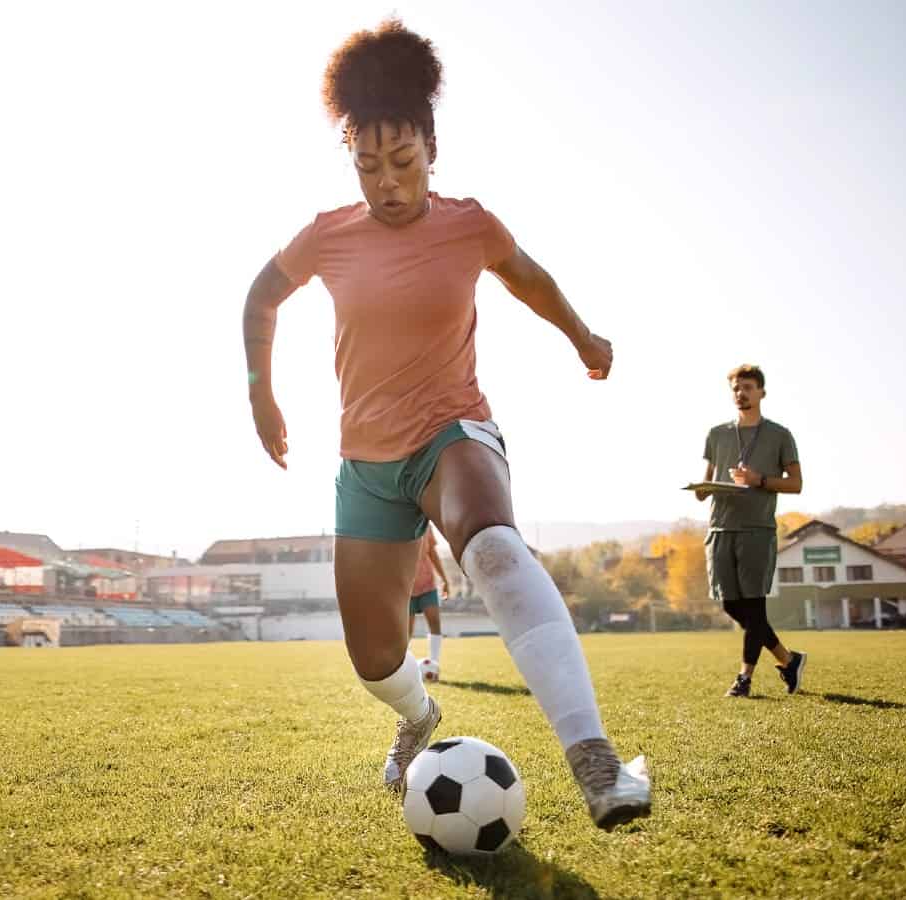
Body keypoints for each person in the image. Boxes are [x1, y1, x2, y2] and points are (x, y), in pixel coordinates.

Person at [241, 18, 650, 829]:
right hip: (365, 462)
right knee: (373, 657)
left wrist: (584, 338)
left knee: (492, 546)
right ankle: (418, 718)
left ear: (432, 147)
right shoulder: (329, 237)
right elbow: (259, 296)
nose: (386, 184)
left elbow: (529, 279)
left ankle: (599, 766)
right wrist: (262, 393)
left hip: (453, 430)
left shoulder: (469, 225)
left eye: (403, 162)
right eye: (367, 166)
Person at [696, 364, 807, 697]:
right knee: (731, 605)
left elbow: (796, 484)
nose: (740, 393)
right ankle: (788, 660)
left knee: (754, 607)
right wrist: (702, 489)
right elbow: (709, 475)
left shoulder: (779, 435)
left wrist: (760, 480)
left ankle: (744, 679)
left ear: (761, 392)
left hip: (756, 530)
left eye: (747, 387)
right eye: (735, 388)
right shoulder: (717, 434)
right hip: (720, 527)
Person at [409, 528, 450, 682]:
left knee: (435, 622)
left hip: (428, 585)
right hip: (406, 587)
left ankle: (434, 667)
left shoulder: (425, 525)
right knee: (406, 633)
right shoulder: (396, 521)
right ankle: (404, 672)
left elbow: (432, 552)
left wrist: (444, 579)